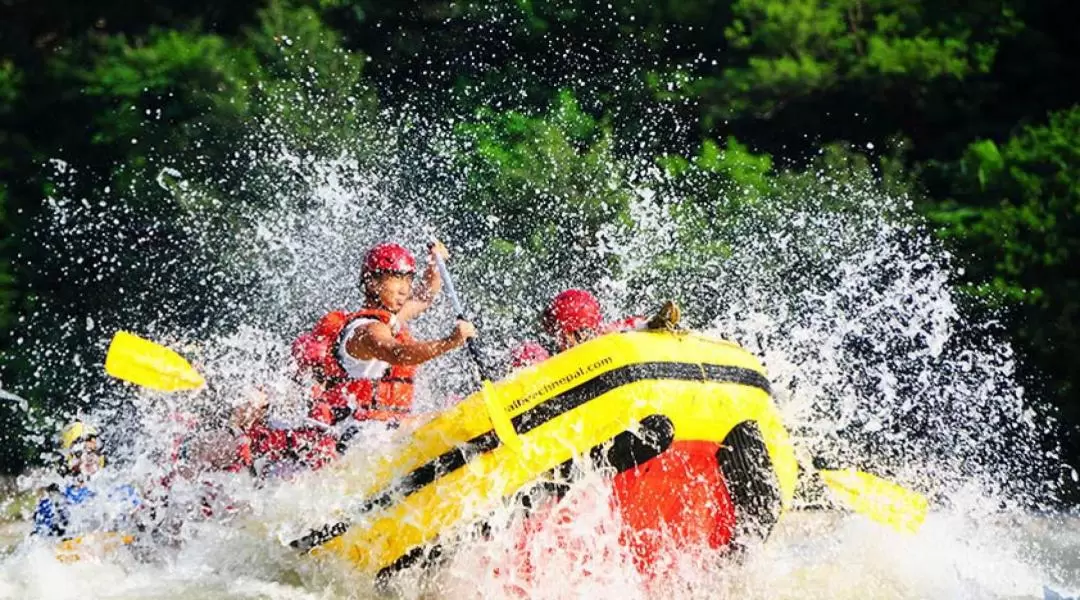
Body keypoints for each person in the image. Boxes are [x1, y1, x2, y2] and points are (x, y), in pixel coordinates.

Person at [293, 240, 476, 430]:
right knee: (453, 415)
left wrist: (435, 264)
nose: (404, 289)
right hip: (355, 435)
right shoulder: (368, 330)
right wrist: (450, 342)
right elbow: (397, 354)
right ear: (372, 283)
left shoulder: (390, 320)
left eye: (408, 279)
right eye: (396, 278)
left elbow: (424, 296)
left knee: (446, 413)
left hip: (380, 431)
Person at [32, 421, 141, 539]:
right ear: (67, 458)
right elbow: (41, 546)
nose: (89, 457)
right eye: (79, 452)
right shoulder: (56, 501)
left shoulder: (122, 492)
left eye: (94, 451)